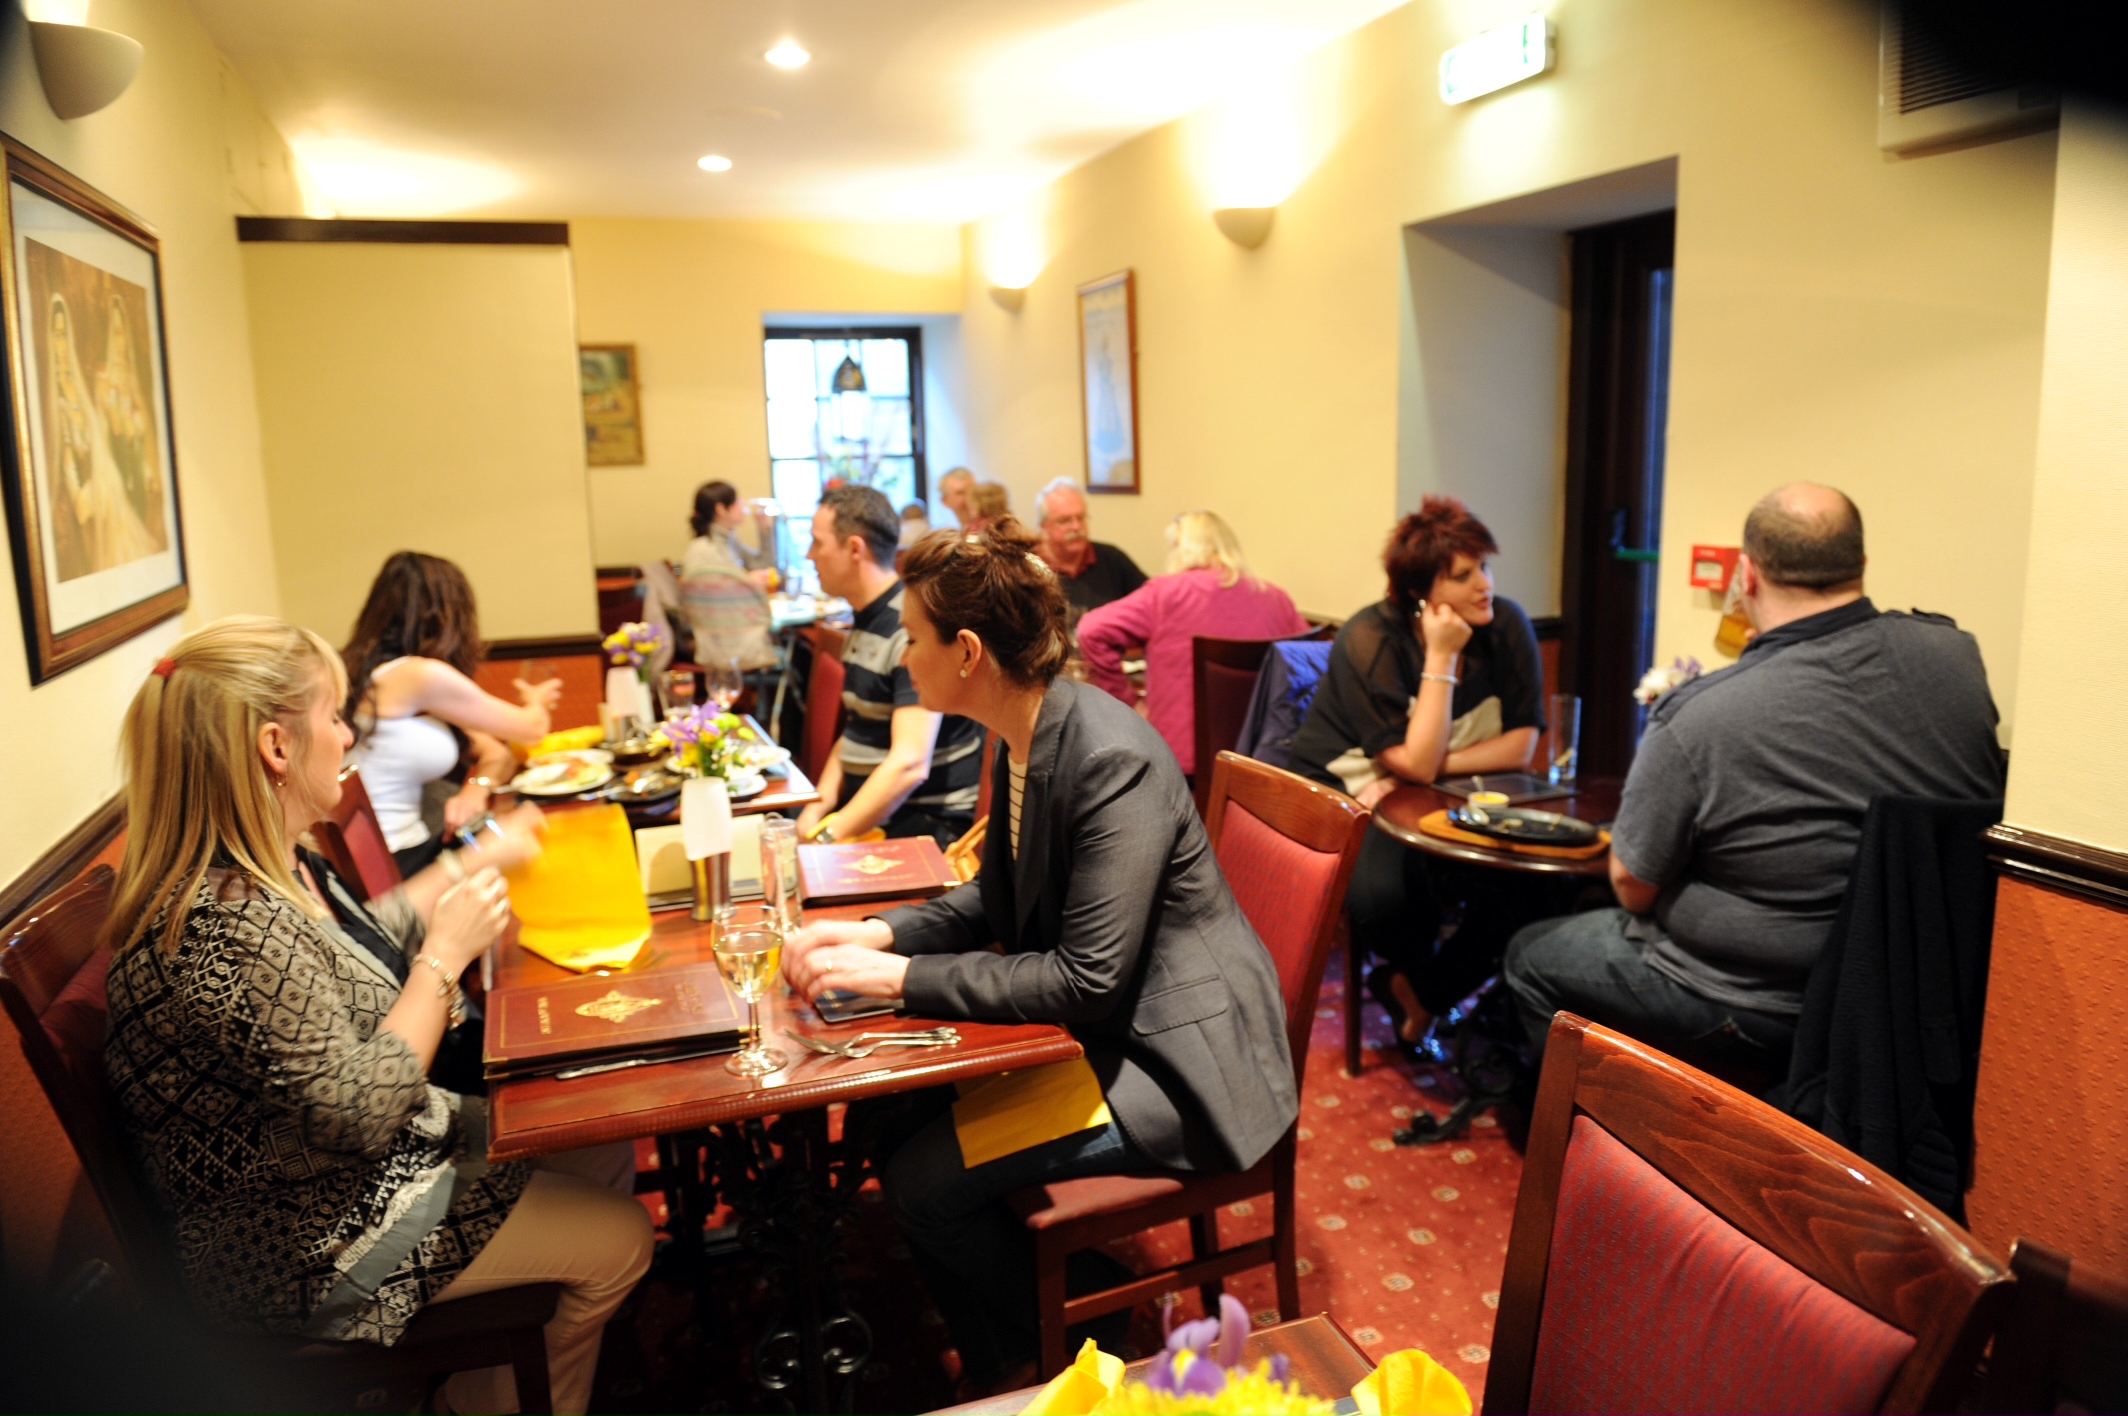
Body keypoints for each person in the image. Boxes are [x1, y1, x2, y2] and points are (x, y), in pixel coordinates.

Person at [781, 520, 1296, 1395]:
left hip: (1178, 1062)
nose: (905, 656)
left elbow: (1085, 979)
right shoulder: (1020, 728)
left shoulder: (1110, 757)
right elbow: (996, 897)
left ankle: (1075, 1325)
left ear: (968, 652)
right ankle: (1016, 1344)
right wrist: (880, 934)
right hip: (1115, 1027)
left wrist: (898, 978)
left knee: (921, 1185)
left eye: (915, 637)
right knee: (894, 1121)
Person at [101, 616, 651, 1415]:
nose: (347, 735)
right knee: (620, 1240)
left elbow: (361, 944)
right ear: (275, 747)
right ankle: (476, 1403)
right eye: (332, 716)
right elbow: (359, 1115)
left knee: (593, 1138)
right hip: (302, 1239)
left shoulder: (279, 868)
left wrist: (468, 873)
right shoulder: (225, 925)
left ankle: (493, 1385)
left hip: (360, 1172)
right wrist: (443, 959)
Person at [1503, 484, 2005, 1077]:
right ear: (1862, 565)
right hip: (1920, 1000)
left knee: (1529, 955)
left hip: (1759, 1005)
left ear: (1746, 576)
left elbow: (1632, 884)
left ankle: (1619, 1125)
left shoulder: (1702, 714)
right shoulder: (1955, 657)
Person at [1290, 497, 1546, 1047]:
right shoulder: (1370, 638)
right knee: (1388, 900)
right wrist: (1442, 657)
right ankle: (1422, 987)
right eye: (1463, 575)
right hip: (1348, 789)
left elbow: (1523, 744)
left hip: (1434, 788)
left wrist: (1418, 772)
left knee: (1536, 885)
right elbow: (1416, 760)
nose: (1485, 584)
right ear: (1419, 592)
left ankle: (1421, 994)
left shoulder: (1508, 625)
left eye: (1485, 567)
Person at [343, 551, 562, 877]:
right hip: (391, 861)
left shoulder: (375, 677)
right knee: (540, 845)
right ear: (449, 616)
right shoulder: (420, 676)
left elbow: (494, 752)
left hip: (388, 853)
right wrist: (536, 701)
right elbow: (531, 729)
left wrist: (476, 789)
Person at [797, 484, 984, 848]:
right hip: (871, 815)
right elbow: (859, 728)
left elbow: (909, 765)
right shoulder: (868, 616)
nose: (809, 555)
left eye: (817, 543)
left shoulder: (906, 628)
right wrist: (815, 810)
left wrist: (827, 839)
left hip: (921, 823)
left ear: (855, 549)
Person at [1078, 510, 1309, 776]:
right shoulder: (1275, 598)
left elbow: (1090, 630)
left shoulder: (1165, 594)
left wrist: (1127, 704)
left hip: (1176, 763)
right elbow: (1311, 654)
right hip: (1260, 763)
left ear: (1180, 548)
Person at [1034, 477, 1146, 618]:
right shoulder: (1028, 568)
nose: (1076, 527)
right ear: (1043, 527)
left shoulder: (1112, 559)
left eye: (1081, 518)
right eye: (1064, 521)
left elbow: (1152, 601)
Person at [682, 479, 777, 588]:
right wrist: (746, 581)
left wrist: (765, 529)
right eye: (737, 502)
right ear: (721, 509)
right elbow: (700, 593)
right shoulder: (701, 549)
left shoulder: (730, 541)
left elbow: (764, 566)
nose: (743, 505)